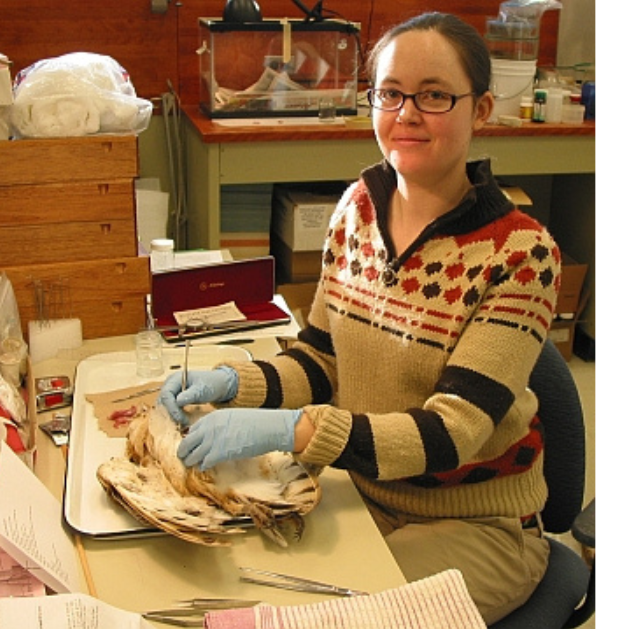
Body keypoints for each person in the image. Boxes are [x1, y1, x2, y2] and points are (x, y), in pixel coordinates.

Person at [158, 12, 558, 624]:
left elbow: (450, 434)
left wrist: (291, 430)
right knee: (233, 578)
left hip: (475, 523)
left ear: (481, 109)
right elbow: (320, 359)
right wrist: (238, 381)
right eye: (390, 93)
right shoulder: (356, 211)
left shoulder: (521, 255)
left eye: (433, 95)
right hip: (359, 488)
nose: (407, 113)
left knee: (338, 615)